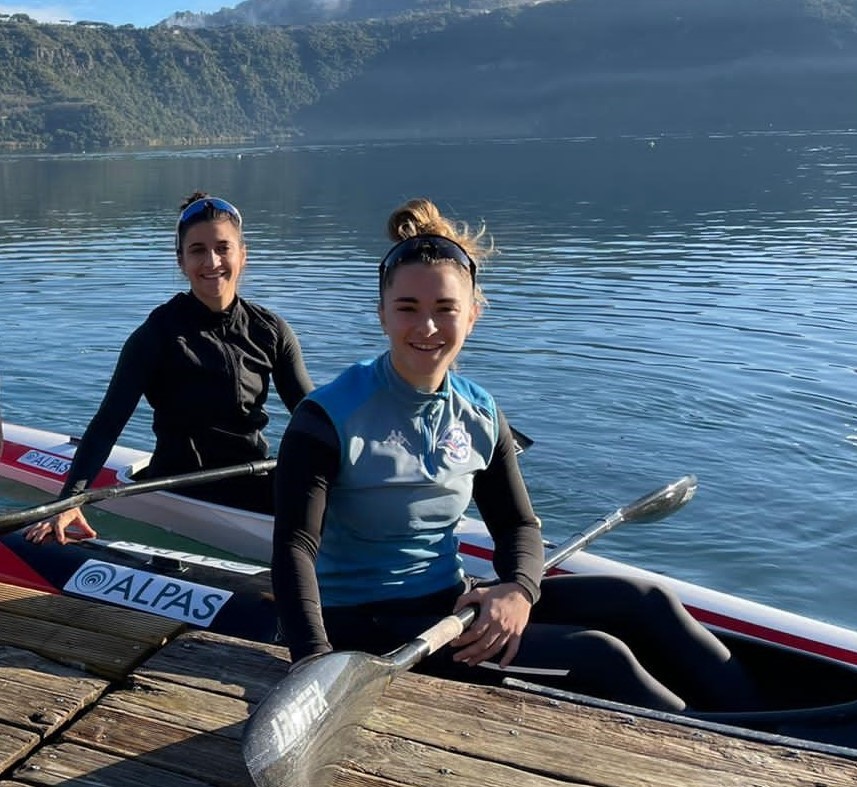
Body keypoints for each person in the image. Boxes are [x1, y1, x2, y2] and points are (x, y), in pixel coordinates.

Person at [271, 197, 762, 713]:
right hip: (365, 623)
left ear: (473, 314)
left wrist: (518, 590)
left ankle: (769, 718)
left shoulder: (479, 412)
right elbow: (294, 547)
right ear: (382, 314)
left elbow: (518, 527)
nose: (428, 328)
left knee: (645, 602)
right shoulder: (327, 416)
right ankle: (723, 745)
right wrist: (312, 661)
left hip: (449, 601)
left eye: (445, 309)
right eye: (408, 309)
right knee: (600, 657)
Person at [25, 192, 313, 545]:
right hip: (181, 485)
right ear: (180, 261)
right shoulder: (156, 336)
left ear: (243, 254)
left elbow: (312, 415)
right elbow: (107, 424)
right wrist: (70, 499)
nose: (212, 261)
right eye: (197, 250)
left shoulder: (270, 330)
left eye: (223, 247)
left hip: (251, 476)